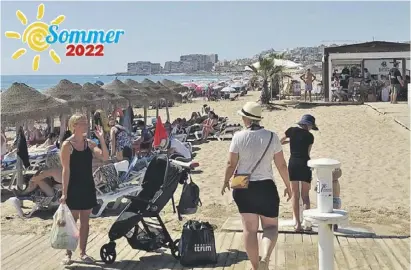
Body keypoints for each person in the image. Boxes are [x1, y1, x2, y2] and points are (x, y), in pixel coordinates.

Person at [221, 102, 292, 270]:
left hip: (242, 185)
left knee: (249, 229)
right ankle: (265, 258)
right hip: (266, 186)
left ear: (246, 118)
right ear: (258, 119)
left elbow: (231, 163)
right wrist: (288, 185)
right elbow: (281, 165)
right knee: (271, 227)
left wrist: (225, 181)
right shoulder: (272, 136)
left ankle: (255, 267)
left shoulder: (238, 136)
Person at [60, 113, 109, 265]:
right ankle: (68, 253)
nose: (86, 124)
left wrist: (101, 139)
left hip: (88, 185)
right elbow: (65, 170)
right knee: (72, 222)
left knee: (85, 222)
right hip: (73, 187)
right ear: (74, 125)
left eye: (85, 122)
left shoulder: (90, 143)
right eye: (82, 122)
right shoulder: (67, 145)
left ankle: (82, 252)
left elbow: (105, 157)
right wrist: (64, 192)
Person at [280, 114, 318, 232]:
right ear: (309, 125)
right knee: (305, 196)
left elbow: (280, 141)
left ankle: (297, 224)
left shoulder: (292, 131)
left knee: (295, 195)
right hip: (305, 164)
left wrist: (291, 141)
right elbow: (307, 152)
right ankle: (307, 223)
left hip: (293, 164)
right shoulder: (310, 136)